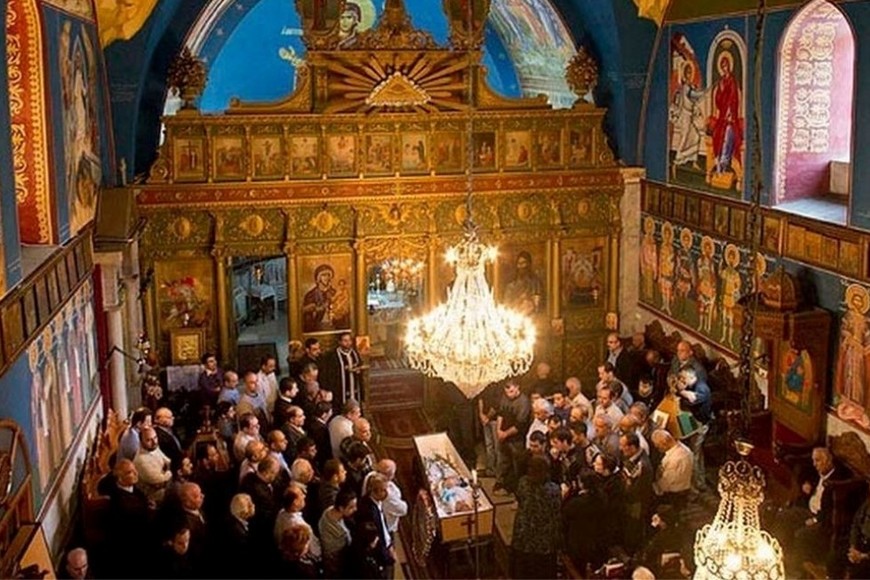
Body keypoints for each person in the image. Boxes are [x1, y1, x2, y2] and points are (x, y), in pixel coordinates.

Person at [511, 455, 561, 578]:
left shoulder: (523, 483)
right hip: (544, 539)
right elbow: (556, 509)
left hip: (524, 535)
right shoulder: (553, 490)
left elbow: (520, 499)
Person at [494, 380, 531, 496]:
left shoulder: (524, 402)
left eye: (511, 391)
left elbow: (520, 424)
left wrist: (505, 434)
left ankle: (514, 489)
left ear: (517, 387)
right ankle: (501, 483)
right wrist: (498, 430)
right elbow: (501, 414)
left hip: (516, 439)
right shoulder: (504, 397)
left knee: (516, 465)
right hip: (503, 436)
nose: (509, 394)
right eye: (507, 392)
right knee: (502, 461)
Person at [321, 331, 364, 408]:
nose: (348, 343)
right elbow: (329, 374)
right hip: (340, 388)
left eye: (349, 340)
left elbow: (359, 365)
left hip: (354, 385)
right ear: (340, 342)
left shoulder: (354, 353)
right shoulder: (333, 356)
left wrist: (358, 370)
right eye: (345, 341)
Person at [504, 251, 544, 315]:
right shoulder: (511, 286)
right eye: (519, 264)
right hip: (514, 315)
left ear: (529, 264)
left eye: (523, 263)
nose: (521, 266)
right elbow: (507, 304)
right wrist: (519, 299)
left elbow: (537, 303)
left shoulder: (535, 283)